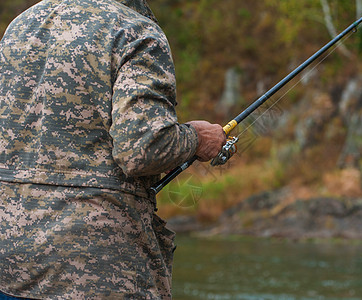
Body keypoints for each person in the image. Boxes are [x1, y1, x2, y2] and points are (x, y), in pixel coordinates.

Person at [0, 0, 225, 298]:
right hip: (97, 269)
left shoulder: (20, 26)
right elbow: (142, 148)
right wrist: (196, 137)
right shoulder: (133, 30)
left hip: (10, 261)